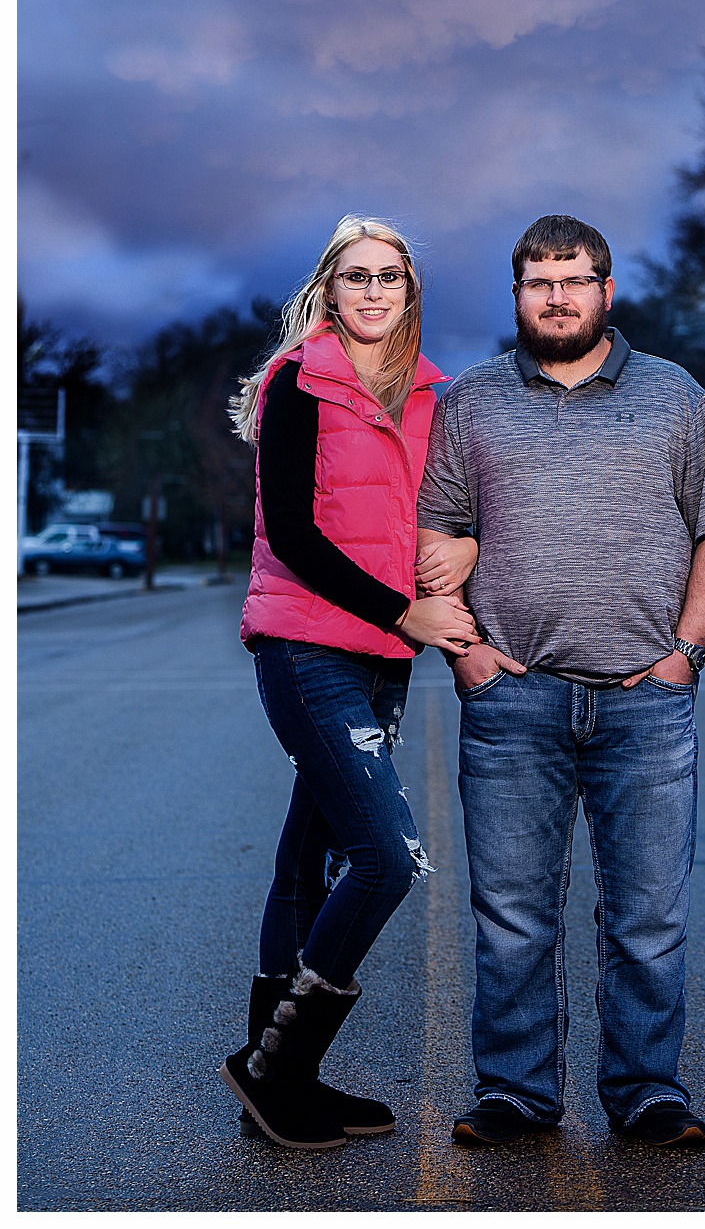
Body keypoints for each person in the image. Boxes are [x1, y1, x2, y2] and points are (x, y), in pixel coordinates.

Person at [414, 214, 705, 1151]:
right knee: (512, 917)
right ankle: (517, 1095)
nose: (557, 298)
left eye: (574, 280)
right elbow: (434, 536)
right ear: (517, 295)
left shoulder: (676, 396)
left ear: (608, 291)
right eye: (538, 282)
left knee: (649, 918)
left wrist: (686, 652)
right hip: (514, 698)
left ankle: (648, 1090)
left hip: (645, 703)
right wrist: (468, 657)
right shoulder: (473, 401)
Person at [220, 216, 482, 1150]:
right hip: (306, 647)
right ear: (329, 289)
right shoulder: (302, 382)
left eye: (391, 279)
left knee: (310, 862)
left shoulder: (429, 398)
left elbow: (449, 512)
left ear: (411, 293)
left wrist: (465, 545)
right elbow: (290, 529)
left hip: (378, 659)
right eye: (357, 277)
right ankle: (277, 1070)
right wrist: (403, 610)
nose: (374, 292)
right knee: (386, 858)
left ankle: (276, 1089)